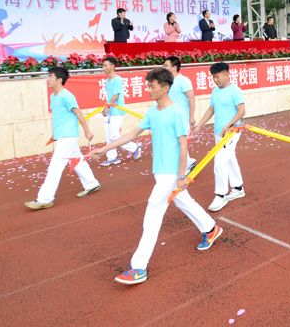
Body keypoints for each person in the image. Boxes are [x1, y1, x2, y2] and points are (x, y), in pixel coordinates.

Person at [90, 68, 222, 284]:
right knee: (183, 201)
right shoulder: (152, 112)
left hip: (171, 174)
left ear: (165, 87)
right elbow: (132, 134)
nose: (148, 90)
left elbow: (183, 145)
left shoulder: (177, 112)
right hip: (160, 171)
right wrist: (104, 149)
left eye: (152, 86)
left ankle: (138, 267)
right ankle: (210, 228)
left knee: (153, 212)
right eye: (148, 86)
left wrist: (181, 175)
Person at [25, 67, 100, 210]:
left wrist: (87, 131)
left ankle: (45, 199)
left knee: (55, 166)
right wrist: (55, 134)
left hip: (68, 136)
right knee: (76, 160)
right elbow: (58, 116)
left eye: (50, 76)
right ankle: (91, 183)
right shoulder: (53, 96)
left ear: (59, 80)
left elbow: (78, 113)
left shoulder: (67, 96)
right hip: (63, 136)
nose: (47, 79)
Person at [193, 62, 246, 212]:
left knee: (220, 161)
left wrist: (229, 125)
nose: (215, 80)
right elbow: (211, 109)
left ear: (226, 74)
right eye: (213, 77)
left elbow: (241, 111)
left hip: (231, 132)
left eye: (217, 77)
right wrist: (200, 125)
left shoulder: (235, 91)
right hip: (218, 133)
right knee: (229, 158)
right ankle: (238, 188)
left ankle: (220, 195)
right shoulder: (215, 91)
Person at [99, 57, 140, 166]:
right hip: (110, 111)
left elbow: (115, 96)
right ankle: (112, 157)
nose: (103, 68)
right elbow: (109, 97)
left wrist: (107, 107)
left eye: (105, 65)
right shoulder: (108, 81)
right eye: (103, 66)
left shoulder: (117, 79)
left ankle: (134, 147)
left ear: (112, 66)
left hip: (117, 111)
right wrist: (106, 108)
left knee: (113, 135)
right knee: (109, 136)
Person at [163, 56, 197, 170]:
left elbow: (191, 98)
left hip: (182, 118)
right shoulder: (166, 82)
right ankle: (188, 162)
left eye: (166, 65)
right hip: (170, 117)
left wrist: (191, 117)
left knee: (179, 143)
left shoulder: (183, 80)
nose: (164, 67)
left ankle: (186, 165)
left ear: (174, 67)